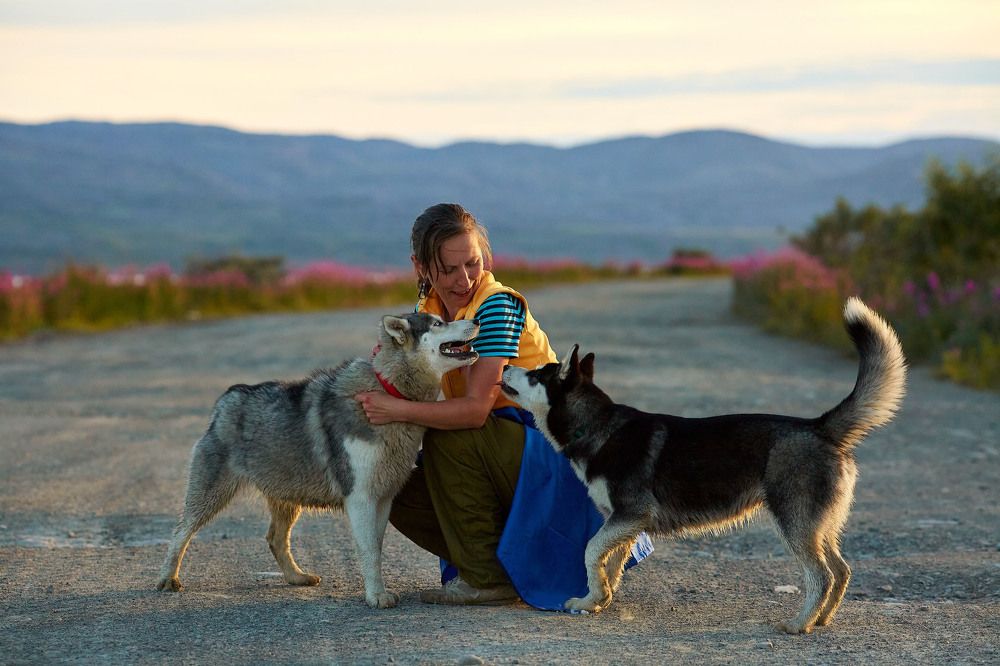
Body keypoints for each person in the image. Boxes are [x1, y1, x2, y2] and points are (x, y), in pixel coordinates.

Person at [355, 203, 650, 608]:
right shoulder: (427, 313)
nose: (464, 279)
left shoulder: (495, 306)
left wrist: (397, 411)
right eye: (449, 269)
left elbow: (476, 409)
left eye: (472, 264)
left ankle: (487, 578)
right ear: (421, 267)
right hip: (501, 450)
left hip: (551, 455)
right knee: (392, 483)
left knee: (450, 441)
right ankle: (504, 566)